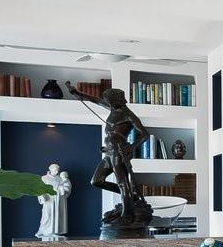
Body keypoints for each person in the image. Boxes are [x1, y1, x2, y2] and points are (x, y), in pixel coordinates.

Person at [79, 89, 153, 234]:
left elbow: (144, 134)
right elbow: (96, 100)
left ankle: (127, 214)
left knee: (122, 182)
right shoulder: (112, 108)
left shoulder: (128, 114)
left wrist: (132, 147)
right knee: (96, 181)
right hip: (108, 152)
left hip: (119, 151)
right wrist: (78, 93)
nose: (108, 103)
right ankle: (130, 196)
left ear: (117, 99)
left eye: (110, 100)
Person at [37, 163, 71, 239]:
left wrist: (63, 189)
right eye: (55, 170)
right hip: (49, 200)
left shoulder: (61, 178)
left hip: (59, 200)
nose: (57, 171)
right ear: (50, 169)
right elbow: (39, 188)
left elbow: (67, 187)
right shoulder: (44, 178)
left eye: (58, 170)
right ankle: (45, 231)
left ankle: (55, 231)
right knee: (47, 215)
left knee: (58, 215)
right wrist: (42, 195)